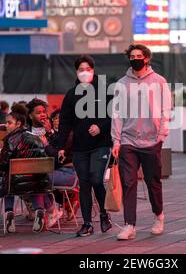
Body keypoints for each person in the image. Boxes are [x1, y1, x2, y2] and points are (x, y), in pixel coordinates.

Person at [111, 44, 172, 240]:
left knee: (152, 181)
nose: (135, 58)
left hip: (152, 140)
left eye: (139, 55)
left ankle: (159, 216)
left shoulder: (159, 81)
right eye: (132, 56)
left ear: (146, 58)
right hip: (128, 141)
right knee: (128, 183)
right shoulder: (121, 83)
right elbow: (117, 114)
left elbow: (165, 109)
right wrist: (116, 141)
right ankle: (129, 225)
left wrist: (161, 135)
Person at [57, 55, 113, 237]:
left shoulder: (104, 91)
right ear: (76, 72)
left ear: (93, 70)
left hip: (101, 145)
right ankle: (87, 223)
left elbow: (114, 115)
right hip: (80, 148)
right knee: (84, 184)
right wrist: (61, 146)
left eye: (87, 69)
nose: (84, 73)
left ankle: (104, 214)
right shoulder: (71, 95)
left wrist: (100, 126)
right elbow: (64, 122)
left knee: (96, 179)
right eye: (81, 70)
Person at [0, 107, 56, 233]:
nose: (6, 125)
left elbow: (3, 164)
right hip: (37, 183)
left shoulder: (9, 140)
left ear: (18, 124)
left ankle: (9, 212)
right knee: (35, 180)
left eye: (9, 123)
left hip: (14, 184)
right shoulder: (35, 138)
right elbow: (42, 160)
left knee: (6, 180)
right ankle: (39, 210)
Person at [45, 109, 79, 221]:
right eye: (55, 119)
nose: (57, 121)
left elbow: (58, 157)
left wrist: (46, 143)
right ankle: (69, 204)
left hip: (69, 171)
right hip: (62, 170)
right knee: (42, 178)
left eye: (60, 118)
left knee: (40, 180)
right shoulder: (60, 134)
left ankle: (55, 210)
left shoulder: (69, 134)